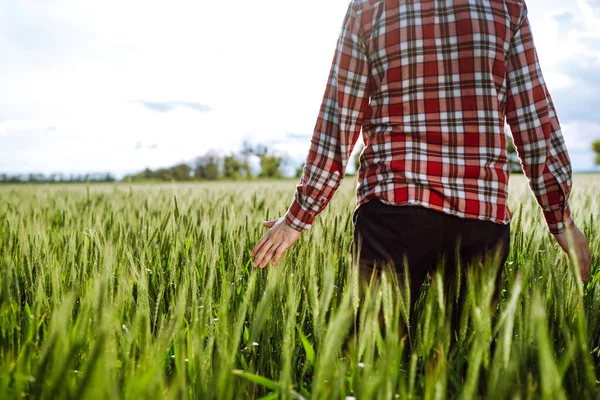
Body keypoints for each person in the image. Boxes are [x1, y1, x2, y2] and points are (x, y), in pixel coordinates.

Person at [251, 0, 592, 304]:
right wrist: (561, 219)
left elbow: (338, 118)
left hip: (392, 208)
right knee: (467, 363)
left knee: (376, 361)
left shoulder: (368, 7)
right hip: (479, 213)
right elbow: (533, 118)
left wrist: (299, 217)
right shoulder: (506, 6)